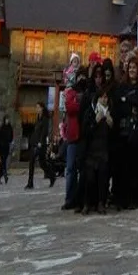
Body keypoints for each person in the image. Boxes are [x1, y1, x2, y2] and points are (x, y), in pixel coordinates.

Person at [113, 59, 138, 209]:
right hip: (123, 131)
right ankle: (122, 199)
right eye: (130, 67)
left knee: (136, 167)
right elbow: (120, 104)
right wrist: (129, 103)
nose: (132, 69)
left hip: (136, 131)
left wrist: (128, 99)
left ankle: (135, 198)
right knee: (123, 167)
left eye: (134, 67)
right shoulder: (122, 85)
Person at [79, 88, 113, 215]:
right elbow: (85, 131)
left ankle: (101, 203)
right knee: (90, 179)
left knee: (103, 179)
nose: (104, 100)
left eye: (106, 97)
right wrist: (95, 122)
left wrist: (111, 124)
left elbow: (113, 135)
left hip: (104, 151)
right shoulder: (91, 112)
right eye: (102, 97)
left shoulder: (109, 113)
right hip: (91, 151)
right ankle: (87, 203)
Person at [62, 73, 86, 211]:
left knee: (81, 168)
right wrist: (79, 103)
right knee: (70, 168)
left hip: (82, 135)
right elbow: (70, 107)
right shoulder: (71, 92)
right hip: (72, 134)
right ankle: (69, 198)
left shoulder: (85, 93)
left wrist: (78, 103)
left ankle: (79, 198)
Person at [25, 106, 54, 189]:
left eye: (38, 107)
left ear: (42, 108)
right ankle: (30, 183)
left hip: (41, 144)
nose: (37, 109)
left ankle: (52, 176)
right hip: (35, 143)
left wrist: (41, 142)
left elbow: (44, 132)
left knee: (42, 164)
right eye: (36, 107)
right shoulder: (38, 118)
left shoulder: (45, 119)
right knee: (32, 162)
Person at [0, 115, 12, 185]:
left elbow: (11, 136)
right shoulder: (2, 128)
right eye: (6, 119)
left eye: (8, 119)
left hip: (6, 147)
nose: (7, 121)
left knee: (3, 162)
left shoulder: (10, 127)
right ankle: (5, 174)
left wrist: (10, 141)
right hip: (1, 147)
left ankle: (0, 178)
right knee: (2, 162)